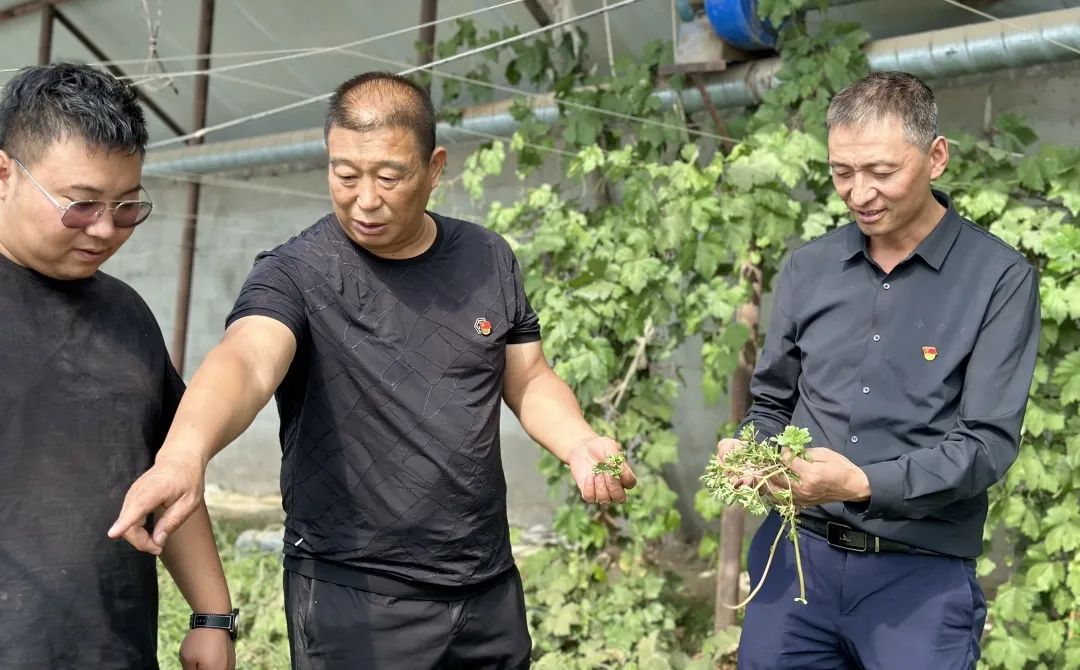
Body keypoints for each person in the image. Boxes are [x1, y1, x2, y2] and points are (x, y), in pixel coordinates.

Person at [109, 71, 637, 669]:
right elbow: (247, 359)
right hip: (355, 593)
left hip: (486, 584)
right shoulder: (296, 273)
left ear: (435, 168)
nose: (364, 199)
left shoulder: (487, 257)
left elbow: (530, 376)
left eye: (389, 177)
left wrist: (579, 442)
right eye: (345, 174)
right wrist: (185, 454)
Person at [717, 71, 1039, 670]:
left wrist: (861, 484)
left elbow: (986, 445)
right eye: (841, 171)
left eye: (881, 172)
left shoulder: (998, 279)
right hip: (796, 562)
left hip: (919, 577)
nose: (858, 192)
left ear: (936, 157)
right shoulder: (810, 268)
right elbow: (772, 403)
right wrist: (752, 453)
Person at [0, 63, 236, 669]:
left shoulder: (126, 314)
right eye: (80, 205)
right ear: (4, 174)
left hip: (114, 650)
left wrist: (212, 616)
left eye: (127, 207)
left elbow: (168, 473)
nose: (105, 229)